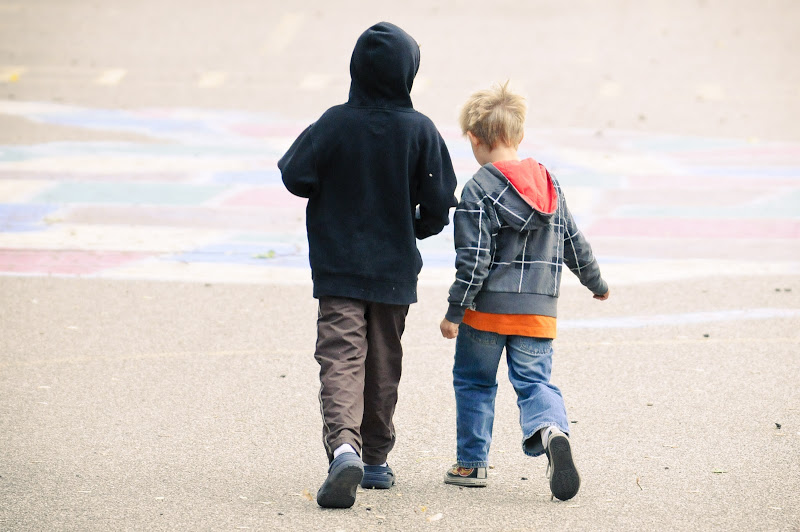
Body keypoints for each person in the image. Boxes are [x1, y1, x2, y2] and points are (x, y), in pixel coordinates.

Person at [279, 21, 458, 509]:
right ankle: (375, 460)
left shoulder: (334, 123)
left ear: (355, 68)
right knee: (383, 363)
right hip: (394, 272)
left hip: (338, 269)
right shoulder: (419, 129)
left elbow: (294, 175)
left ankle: (344, 448)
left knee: (341, 357)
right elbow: (440, 201)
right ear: (408, 73)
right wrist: (415, 225)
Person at [439, 82, 609, 501]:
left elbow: (474, 260)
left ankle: (471, 464)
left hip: (486, 312)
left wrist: (455, 312)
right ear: (518, 135)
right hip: (537, 311)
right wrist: (596, 282)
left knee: (475, 382)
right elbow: (573, 241)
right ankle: (551, 430)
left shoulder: (478, 189)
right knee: (535, 383)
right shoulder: (549, 183)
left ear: (475, 140)